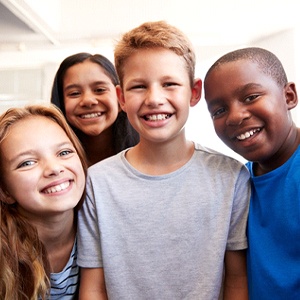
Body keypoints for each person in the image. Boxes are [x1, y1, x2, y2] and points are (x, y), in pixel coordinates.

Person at [77, 21, 250, 300]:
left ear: (194, 92)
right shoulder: (97, 182)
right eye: (138, 87)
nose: (155, 99)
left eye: (169, 84)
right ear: (121, 97)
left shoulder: (230, 177)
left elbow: (236, 278)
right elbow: (93, 286)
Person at [203, 47, 300, 299]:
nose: (235, 116)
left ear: (289, 96)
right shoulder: (237, 182)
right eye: (219, 111)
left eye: (251, 97)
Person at [0, 104, 87, 299]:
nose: (54, 168)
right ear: (4, 191)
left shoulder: (101, 228)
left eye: (64, 153)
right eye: (27, 162)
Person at [51, 52, 139, 166]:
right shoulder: (56, 165)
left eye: (99, 90)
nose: (88, 101)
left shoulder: (148, 150)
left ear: (120, 98)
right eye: (75, 93)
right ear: (61, 103)